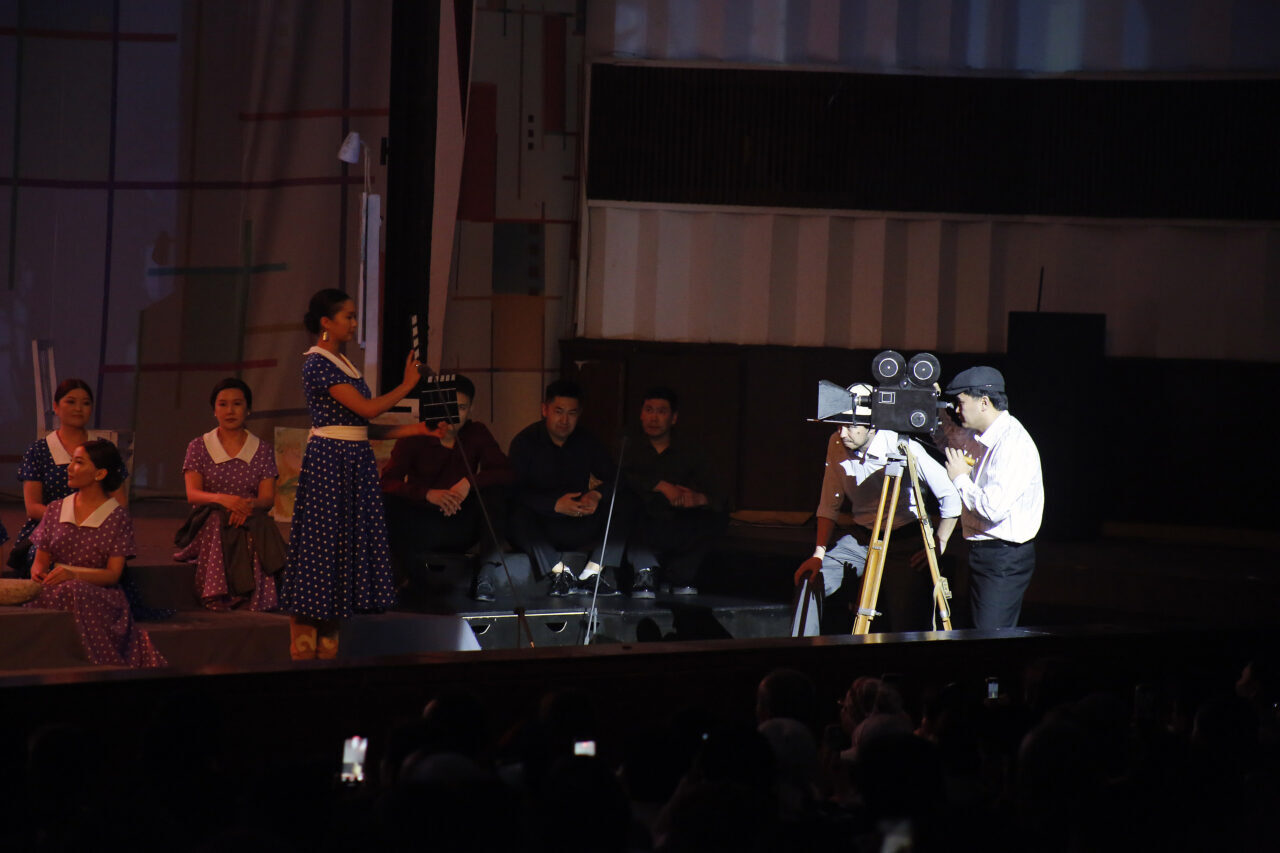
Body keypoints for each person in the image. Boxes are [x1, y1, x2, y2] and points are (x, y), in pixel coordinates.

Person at [279, 288, 427, 660]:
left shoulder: (344, 362)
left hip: (353, 461)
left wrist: (419, 429)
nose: (354, 323)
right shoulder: (317, 363)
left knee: (341, 553)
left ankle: (328, 653)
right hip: (331, 463)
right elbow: (368, 409)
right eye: (348, 316)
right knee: (322, 549)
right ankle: (303, 652)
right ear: (325, 322)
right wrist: (407, 385)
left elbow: (362, 426)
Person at [794, 384, 960, 633]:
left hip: (903, 540)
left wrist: (939, 544)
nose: (842, 433)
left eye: (850, 426)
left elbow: (951, 495)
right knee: (811, 581)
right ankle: (802, 648)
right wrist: (818, 554)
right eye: (838, 426)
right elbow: (829, 504)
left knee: (903, 617)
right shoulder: (836, 443)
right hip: (861, 539)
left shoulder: (900, 445)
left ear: (871, 426)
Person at [25, 439, 165, 667]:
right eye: (71, 461)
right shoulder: (56, 509)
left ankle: (97, 664)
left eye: (79, 463)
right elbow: (40, 560)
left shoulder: (117, 517)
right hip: (56, 588)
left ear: (100, 473)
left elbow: (113, 574)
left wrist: (73, 575)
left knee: (74, 591)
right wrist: (38, 572)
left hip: (99, 594)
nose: (70, 468)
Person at [381, 374, 514, 602]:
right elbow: (387, 482)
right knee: (386, 503)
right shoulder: (416, 435)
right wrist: (427, 494)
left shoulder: (476, 432)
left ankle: (486, 574)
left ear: (470, 409)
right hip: (422, 523)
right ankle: (403, 578)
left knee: (496, 492)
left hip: (461, 523)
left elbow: (505, 472)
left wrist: (468, 483)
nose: (452, 414)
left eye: (460, 407)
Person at [943, 366, 1043, 629]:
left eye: (961, 402)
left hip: (1003, 557)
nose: (956, 409)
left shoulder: (1012, 444)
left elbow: (993, 508)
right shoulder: (983, 436)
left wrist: (960, 479)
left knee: (990, 636)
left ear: (984, 402)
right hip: (984, 552)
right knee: (978, 632)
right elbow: (949, 438)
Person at [173, 377, 284, 611]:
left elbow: (267, 499)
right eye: (223, 404)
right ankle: (215, 593)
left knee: (257, 526)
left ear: (248, 409)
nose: (230, 411)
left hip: (247, 514)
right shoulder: (199, 446)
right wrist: (224, 500)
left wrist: (245, 506)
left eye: (237, 404)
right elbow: (193, 495)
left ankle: (258, 599)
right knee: (217, 519)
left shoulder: (262, 449)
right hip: (208, 517)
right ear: (214, 410)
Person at [507, 380, 625, 597]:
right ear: (545, 410)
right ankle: (559, 572)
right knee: (513, 514)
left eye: (572, 413)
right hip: (541, 525)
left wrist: (596, 494)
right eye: (558, 412)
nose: (564, 420)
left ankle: (594, 571)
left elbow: (616, 477)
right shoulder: (525, 442)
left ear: (579, 414)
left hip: (577, 520)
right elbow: (514, 491)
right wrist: (554, 505)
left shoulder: (586, 440)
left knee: (626, 502)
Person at [11, 378, 128, 576]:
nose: (78, 409)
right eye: (71, 402)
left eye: (86, 403)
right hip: (50, 529)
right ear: (56, 407)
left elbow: (120, 503)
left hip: (97, 526)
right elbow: (33, 507)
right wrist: (68, 522)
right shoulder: (39, 451)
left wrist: (91, 524)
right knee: (44, 560)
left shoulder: (104, 449)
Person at [622, 387, 726, 597]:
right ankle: (645, 571)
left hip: (677, 518)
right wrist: (659, 485)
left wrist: (698, 498)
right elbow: (617, 478)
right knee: (626, 504)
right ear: (641, 414)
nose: (654, 418)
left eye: (661, 412)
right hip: (642, 519)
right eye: (649, 410)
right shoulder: (628, 446)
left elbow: (718, 491)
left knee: (715, 515)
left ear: (674, 418)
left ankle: (680, 576)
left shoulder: (690, 450)